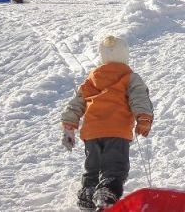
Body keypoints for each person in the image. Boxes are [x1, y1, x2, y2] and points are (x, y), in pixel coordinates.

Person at [61, 35, 154, 210]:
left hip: (91, 134)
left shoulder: (91, 79)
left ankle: (87, 197)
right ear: (125, 55)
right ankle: (106, 195)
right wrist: (143, 117)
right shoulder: (130, 77)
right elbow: (139, 97)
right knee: (115, 168)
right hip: (116, 132)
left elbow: (76, 103)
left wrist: (69, 126)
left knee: (93, 169)